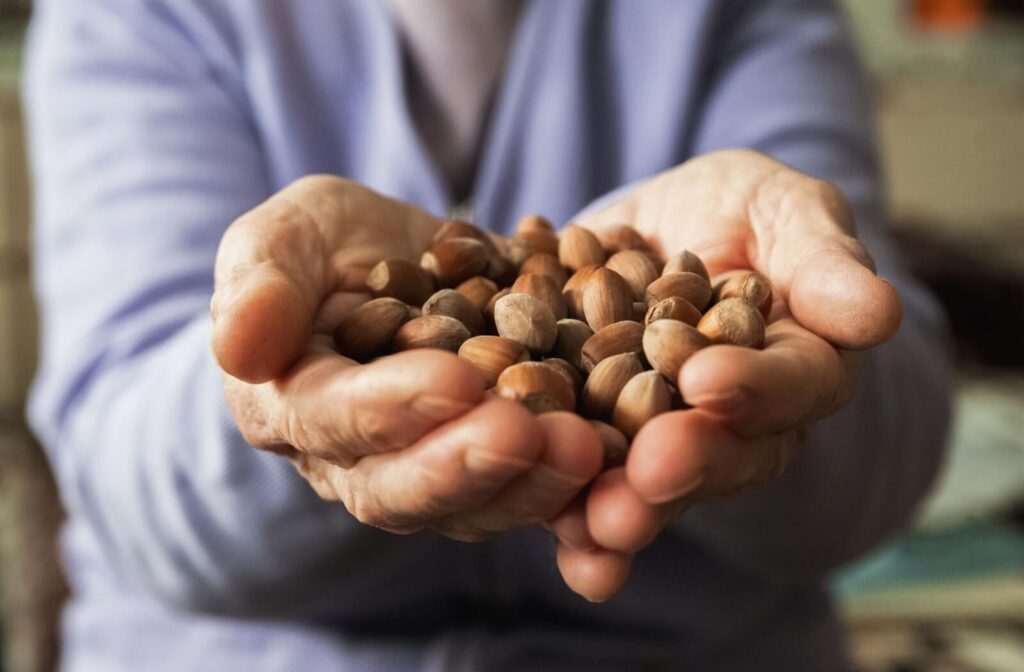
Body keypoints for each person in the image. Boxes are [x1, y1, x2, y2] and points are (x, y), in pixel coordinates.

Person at [23, 0, 952, 670]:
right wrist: (281, 395)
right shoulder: (140, 15)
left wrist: (792, 394)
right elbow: (124, 471)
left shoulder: (745, 14)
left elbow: (885, 426)